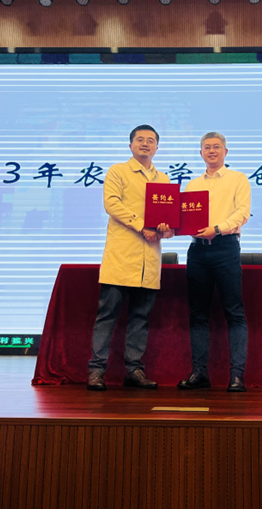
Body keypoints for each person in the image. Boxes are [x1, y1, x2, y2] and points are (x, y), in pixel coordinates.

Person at [87, 125, 173, 391]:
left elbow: (168, 219)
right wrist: (142, 225)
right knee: (107, 316)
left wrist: (167, 228)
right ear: (130, 145)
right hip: (122, 256)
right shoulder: (118, 171)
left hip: (150, 258)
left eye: (151, 140)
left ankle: (134, 370)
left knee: (140, 317)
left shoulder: (164, 179)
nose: (145, 144)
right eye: (140, 140)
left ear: (157, 147)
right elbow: (112, 204)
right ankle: (96, 370)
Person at [178, 132, 252, 393]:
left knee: (234, 312)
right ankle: (199, 373)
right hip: (197, 251)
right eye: (207, 147)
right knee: (198, 314)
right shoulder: (192, 185)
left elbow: (242, 213)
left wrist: (218, 229)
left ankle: (237, 376)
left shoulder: (238, 179)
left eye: (217, 147)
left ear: (225, 152)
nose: (212, 151)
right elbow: (184, 219)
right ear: (201, 153)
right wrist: (169, 225)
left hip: (226, 248)